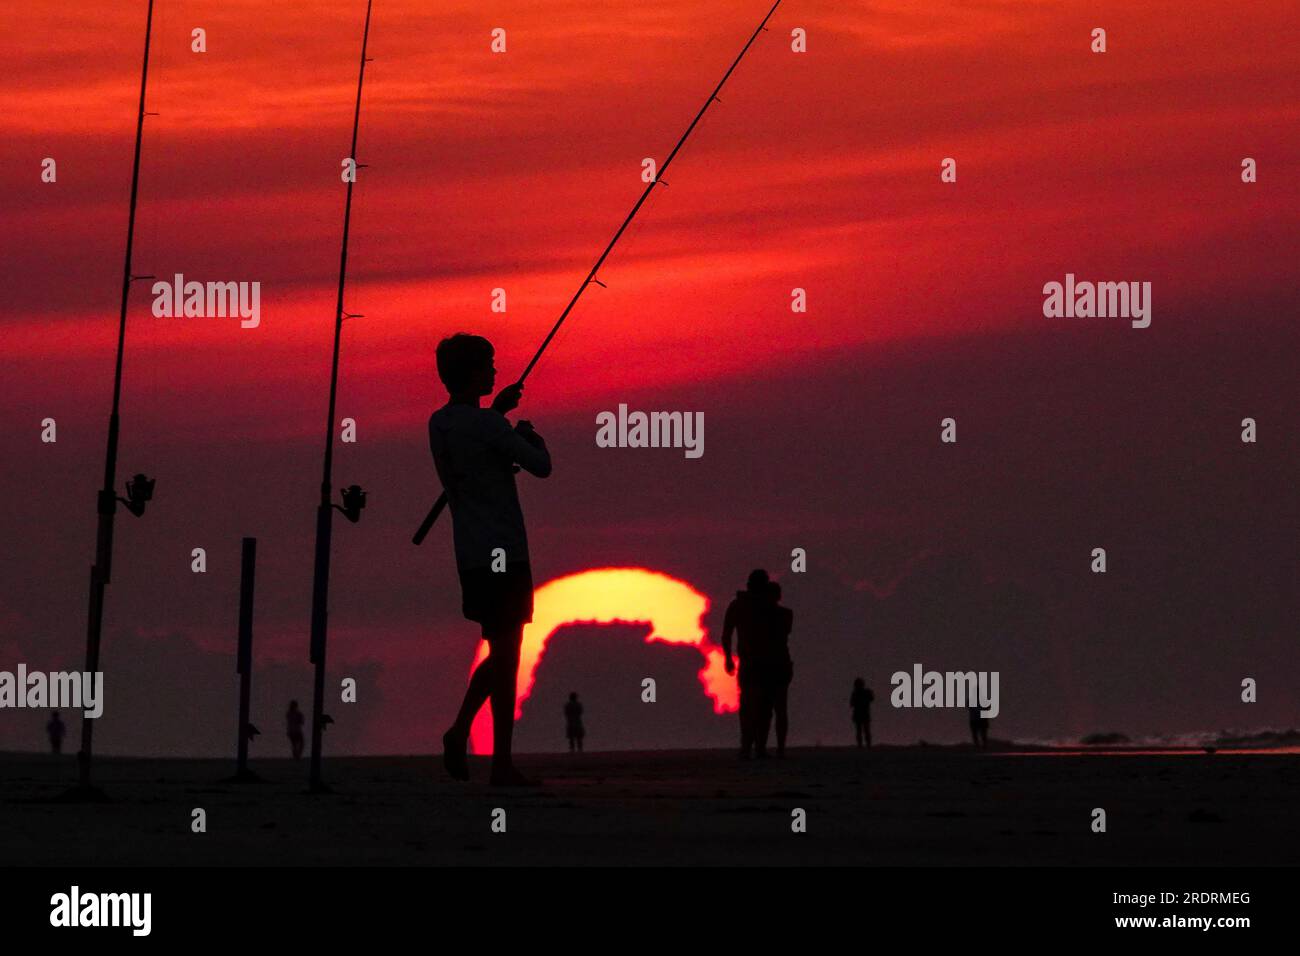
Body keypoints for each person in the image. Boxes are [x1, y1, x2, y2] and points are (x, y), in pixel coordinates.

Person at [431, 333, 552, 786]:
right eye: (490, 365)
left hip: (471, 556)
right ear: (473, 373)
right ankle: (498, 761)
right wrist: (527, 435)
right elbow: (541, 465)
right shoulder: (490, 427)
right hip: (507, 552)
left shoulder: (439, 424)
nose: (497, 371)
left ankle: (460, 733)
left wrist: (498, 414)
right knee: (507, 656)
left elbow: (474, 439)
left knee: (503, 651)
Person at [722, 569, 772, 758]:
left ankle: (751, 746)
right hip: (757, 662)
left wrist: (728, 658)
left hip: (756, 662)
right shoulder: (764, 605)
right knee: (759, 706)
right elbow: (727, 634)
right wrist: (727, 658)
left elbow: (727, 635)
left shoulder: (741, 605)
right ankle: (753, 746)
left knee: (752, 705)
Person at [761, 581, 794, 757]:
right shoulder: (786, 614)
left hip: (770, 665)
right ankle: (779, 748)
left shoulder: (761, 616)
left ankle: (768, 747)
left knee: (768, 709)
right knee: (779, 708)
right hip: (780, 664)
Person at [849, 678, 873, 748]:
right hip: (864, 714)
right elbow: (871, 699)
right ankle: (867, 745)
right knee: (865, 730)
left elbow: (851, 704)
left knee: (860, 730)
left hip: (859, 714)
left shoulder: (855, 693)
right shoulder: (865, 692)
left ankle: (861, 745)